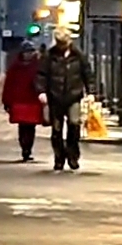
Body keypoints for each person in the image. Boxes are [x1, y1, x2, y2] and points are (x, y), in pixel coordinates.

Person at [40, 26, 95, 172]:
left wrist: (91, 92)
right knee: (56, 130)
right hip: (55, 96)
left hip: (74, 96)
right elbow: (42, 75)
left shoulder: (79, 56)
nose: (62, 46)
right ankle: (59, 157)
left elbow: (87, 74)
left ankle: (72, 156)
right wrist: (41, 91)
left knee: (74, 125)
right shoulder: (49, 56)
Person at [2, 42, 46, 162]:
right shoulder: (15, 68)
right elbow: (8, 86)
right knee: (23, 127)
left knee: (30, 127)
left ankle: (28, 149)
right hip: (19, 101)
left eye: (30, 52)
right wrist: (6, 101)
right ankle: (25, 149)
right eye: (26, 52)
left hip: (32, 101)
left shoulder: (38, 67)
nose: (28, 55)